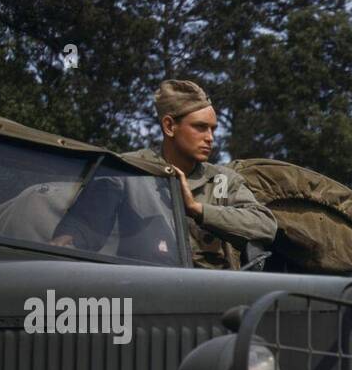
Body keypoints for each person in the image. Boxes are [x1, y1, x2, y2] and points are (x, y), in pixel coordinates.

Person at [54, 79, 276, 269]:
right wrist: (63, 247)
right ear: (169, 126)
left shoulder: (222, 180)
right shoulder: (127, 172)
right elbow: (79, 233)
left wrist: (197, 210)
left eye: (213, 129)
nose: (210, 137)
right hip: (148, 290)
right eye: (200, 127)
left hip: (212, 296)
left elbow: (265, 225)